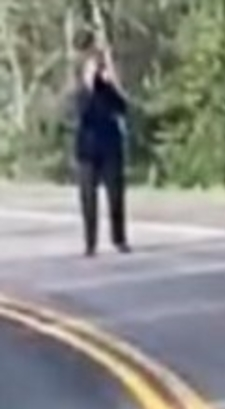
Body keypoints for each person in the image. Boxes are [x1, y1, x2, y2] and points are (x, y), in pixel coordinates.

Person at [69, 29, 130, 258]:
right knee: (88, 198)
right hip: (87, 149)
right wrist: (88, 85)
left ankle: (119, 238)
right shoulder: (79, 87)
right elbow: (80, 113)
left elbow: (123, 107)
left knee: (116, 194)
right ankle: (90, 243)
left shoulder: (107, 87)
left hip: (110, 145)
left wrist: (110, 82)